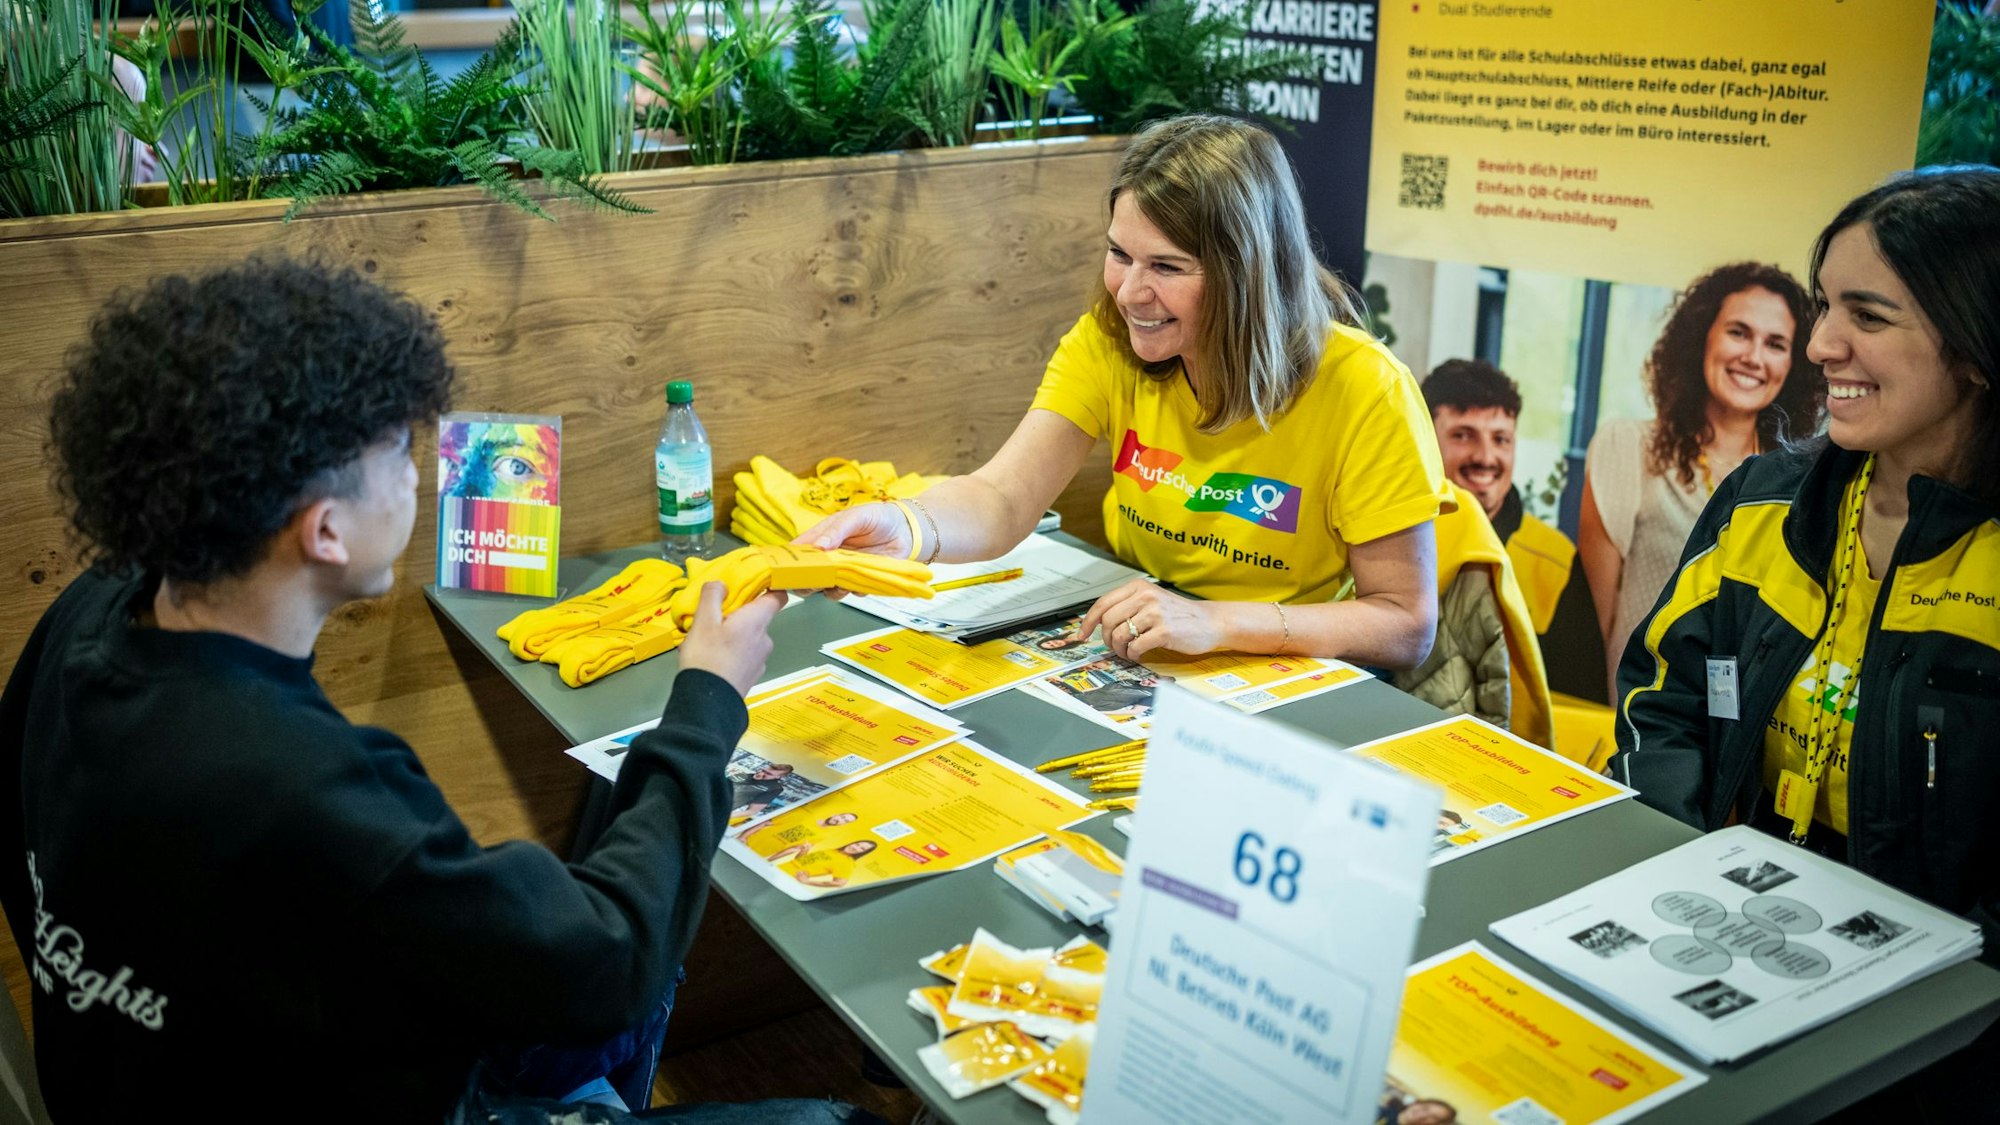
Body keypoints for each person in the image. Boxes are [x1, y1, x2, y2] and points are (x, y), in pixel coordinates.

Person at [0, 258, 869, 1124]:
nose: (417, 475)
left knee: (621, 836)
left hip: (208, 1066)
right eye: (396, 452)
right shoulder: (307, 787)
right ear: (325, 529)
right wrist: (710, 695)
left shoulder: (92, 617)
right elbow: (613, 960)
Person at [1610, 166, 2000, 1118]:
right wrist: (1690, 863)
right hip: (1718, 941)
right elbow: (1662, 697)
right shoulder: (1764, 501)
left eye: (1866, 313)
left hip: (1938, 1032)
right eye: (1825, 304)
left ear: (1979, 342)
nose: (1820, 344)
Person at [800, 114, 1448, 669]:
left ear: (1244, 274)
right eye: (1120, 254)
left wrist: (1218, 622)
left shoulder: (1366, 387)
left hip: (1291, 666)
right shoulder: (1106, 340)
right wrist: (906, 525)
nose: (1131, 292)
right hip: (1147, 636)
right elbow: (1001, 498)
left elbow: (1404, 624)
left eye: (1166, 267)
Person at [1578, 261, 1822, 698]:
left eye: (1776, 343)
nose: (1753, 357)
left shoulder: (1800, 482)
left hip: (1744, 734)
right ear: (1702, 337)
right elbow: (1596, 629)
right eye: (1738, 332)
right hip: (1640, 720)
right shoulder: (1627, 446)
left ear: (1794, 364)